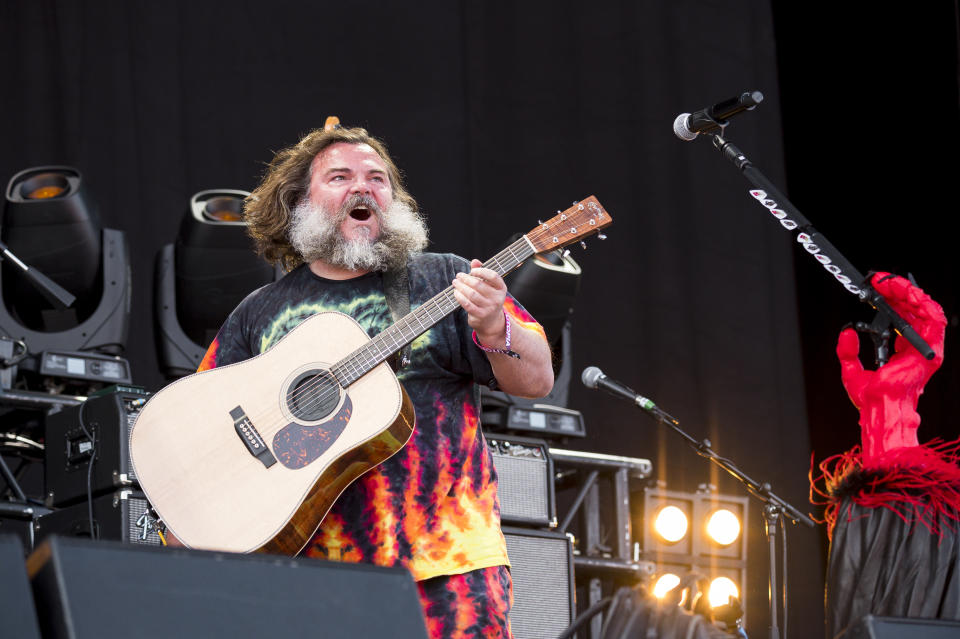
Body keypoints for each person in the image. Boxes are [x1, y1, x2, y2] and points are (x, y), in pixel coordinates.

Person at [195, 123, 555, 638]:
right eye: (340, 176)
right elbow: (204, 420)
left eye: (377, 178)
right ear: (299, 202)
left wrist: (495, 326)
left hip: (445, 567)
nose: (363, 188)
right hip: (307, 577)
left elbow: (537, 379)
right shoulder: (260, 312)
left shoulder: (445, 280)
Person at [812, 272, 960, 638]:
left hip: (904, 477)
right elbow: (856, 384)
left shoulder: (916, 366)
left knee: (911, 577)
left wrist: (896, 287)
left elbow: (935, 322)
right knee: (862, 584)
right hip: (872, 485)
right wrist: (848, 357)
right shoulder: (880, 378)